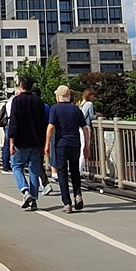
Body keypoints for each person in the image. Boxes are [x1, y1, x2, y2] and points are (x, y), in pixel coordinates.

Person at [5, 75, 48, 211]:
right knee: (34, 170)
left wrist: (11, 141)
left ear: (21, 86)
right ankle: (34, 199)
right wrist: (43, 142)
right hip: (36, 140)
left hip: (20, 140)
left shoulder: (16, 101)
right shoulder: (39, 102)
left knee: (16, 166)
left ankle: (25, 191)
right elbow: (43, 124)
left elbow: (14, 122)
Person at [46, 84, 90, 212]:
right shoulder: (76, 109)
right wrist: (86, 145)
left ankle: (67, 202)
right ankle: (78, 195)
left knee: (62, 172)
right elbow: (85, 128)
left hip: (61, 144)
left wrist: (47, 144)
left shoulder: (55, 109)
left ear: (58, 96)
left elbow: (51, 127)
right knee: (75, 170)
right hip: (75, 143)